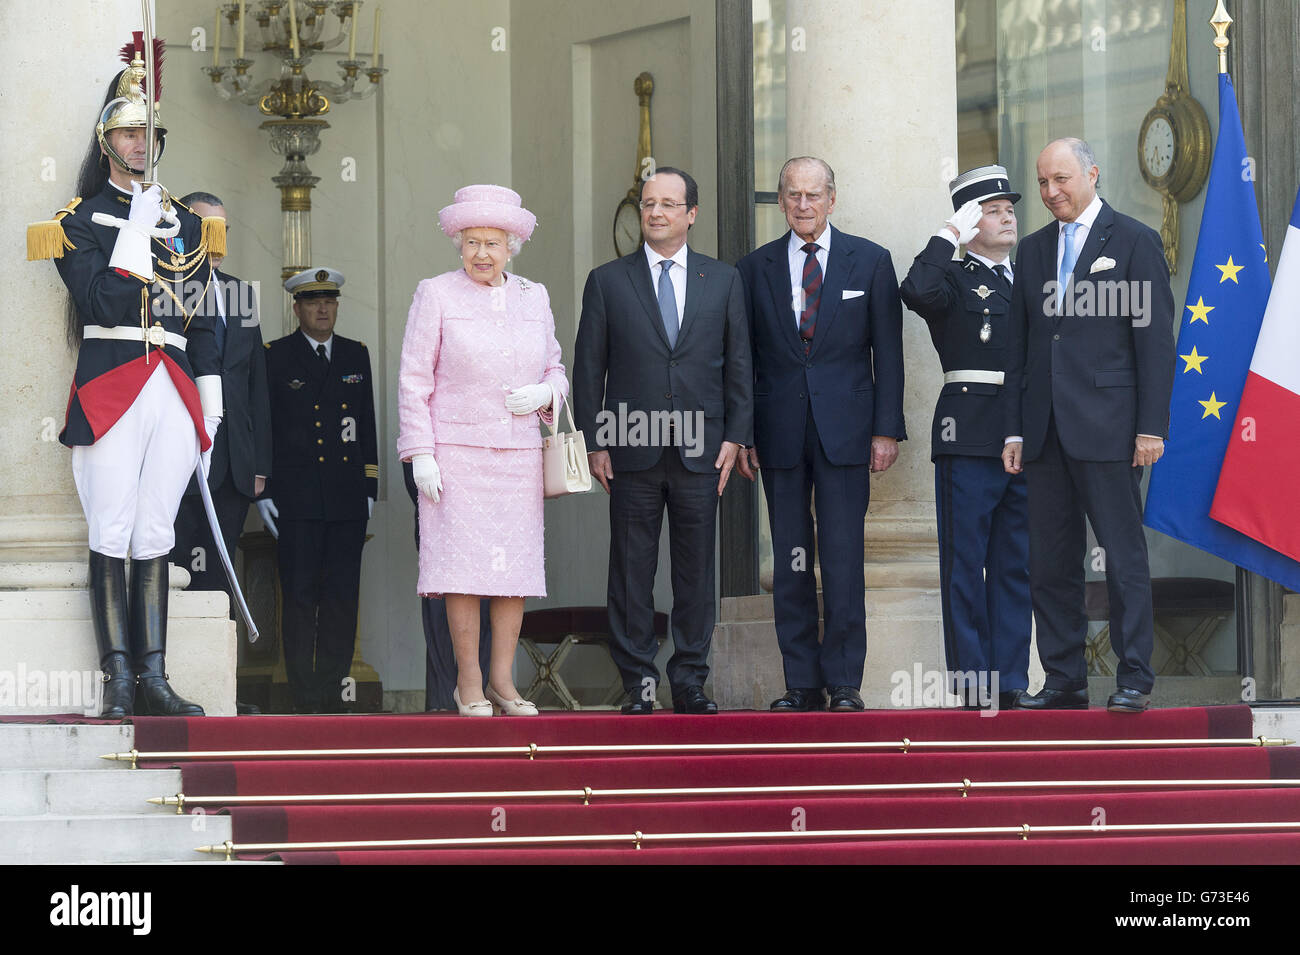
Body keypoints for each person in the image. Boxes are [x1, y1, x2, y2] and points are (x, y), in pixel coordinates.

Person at [27, 36, 223, 717]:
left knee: (156, 532)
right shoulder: (76, 223)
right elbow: (101, 303)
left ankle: (156, 678)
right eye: (129, 131)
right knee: (111, 527)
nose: (141, 143)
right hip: (112, 382)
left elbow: (200, 316)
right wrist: (136, 232)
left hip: (172, 385)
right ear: (105, 140)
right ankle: (118, 679)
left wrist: (212, 399)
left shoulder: (187, 225)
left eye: (148, 132)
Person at [1002, 138, 1175, 713]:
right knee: (1050, 561)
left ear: (1093, 174)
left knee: (1123, 556)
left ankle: (1134, 677)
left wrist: (1151, 427)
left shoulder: (1135, 241)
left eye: (1062, 179)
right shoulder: (1029, 251)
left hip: (1112, 429)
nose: (1052, 192)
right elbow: (1020, 349)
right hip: (1045, 432)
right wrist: (1015, 431)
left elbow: (1154, 345)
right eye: (1043, 183)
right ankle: (1062, 678)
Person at [573, 166, 753, 715]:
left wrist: (736, 437)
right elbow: (588, 369)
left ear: (691, 214)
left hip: (702, 449)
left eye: (669, 204)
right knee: (631, 570)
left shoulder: (721, 280)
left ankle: (691, 680)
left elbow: (740, 365)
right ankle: (640, 684)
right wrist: (594, 442)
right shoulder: (607, 281)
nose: (655, 213)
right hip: (630, 446)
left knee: (696, 571)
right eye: (648, 203)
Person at [735, 157, 905, 713]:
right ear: (781, 201)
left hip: (848, 432)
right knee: (790, 558)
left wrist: (886, 430)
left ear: (833, 198)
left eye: (813, 195)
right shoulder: (753, 268)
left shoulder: (871, 261)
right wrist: (743, 433)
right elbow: (743, 360)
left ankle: (845, 684)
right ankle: (801, 683)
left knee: (842, 556)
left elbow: (890, 355)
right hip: (778, 431)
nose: (803, 205)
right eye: (792, 195)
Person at [397, 184, 568, 718]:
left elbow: (556, 369)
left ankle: (503, 682)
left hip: (517, 456)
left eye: (493, 243)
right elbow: (413, 380)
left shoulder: (533, 296)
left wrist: (547, 394)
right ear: (458, 242)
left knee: (512, 574)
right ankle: (468, 682)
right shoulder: (436, 294)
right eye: (472, 242)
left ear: (512, 245)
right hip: (456, 455)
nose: (482, 254)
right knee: (462, 573)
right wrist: (420, 453)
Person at [900, 164, 1030, 710]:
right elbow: (915, 289)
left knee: (1014, 564)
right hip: (969, 433)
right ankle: (975, 683)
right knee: (965, 562)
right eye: (992, 210)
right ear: (971, 220)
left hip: (1023, 435)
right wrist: (948, 232)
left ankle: (1013, 680)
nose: (1007, 218)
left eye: (1008, 209)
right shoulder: (952, 277)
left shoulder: (1031, 278)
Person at [169, 193, 271, 716]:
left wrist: (260, 465)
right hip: (179, 455)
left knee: (220, 577)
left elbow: (256, 386)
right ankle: (170, 685)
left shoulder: (242, 295)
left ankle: (217, 691)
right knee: (175, 569)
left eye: (224, 229)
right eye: (208, 227)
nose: (218, 238)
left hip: (233, 462)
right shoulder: (165, 288)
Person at [261, 267, 378, 713]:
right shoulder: (276, 355)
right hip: (297, 498)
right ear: (297, 308)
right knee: (300, 597)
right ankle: (302, 694)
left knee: (341, 598)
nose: (323, 308)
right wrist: (264, 489)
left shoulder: (355, 354)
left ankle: (331, 692)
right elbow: (265, 425)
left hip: (347, 496)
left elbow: (366, 421)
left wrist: (371, 483)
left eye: (329, 301)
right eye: (313, 301)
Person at [400, 460, 492, 712]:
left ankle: (480, 691)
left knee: (485, 602)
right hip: (436, 495)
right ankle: (442, 699)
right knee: (439, 603)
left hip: (485, 499)